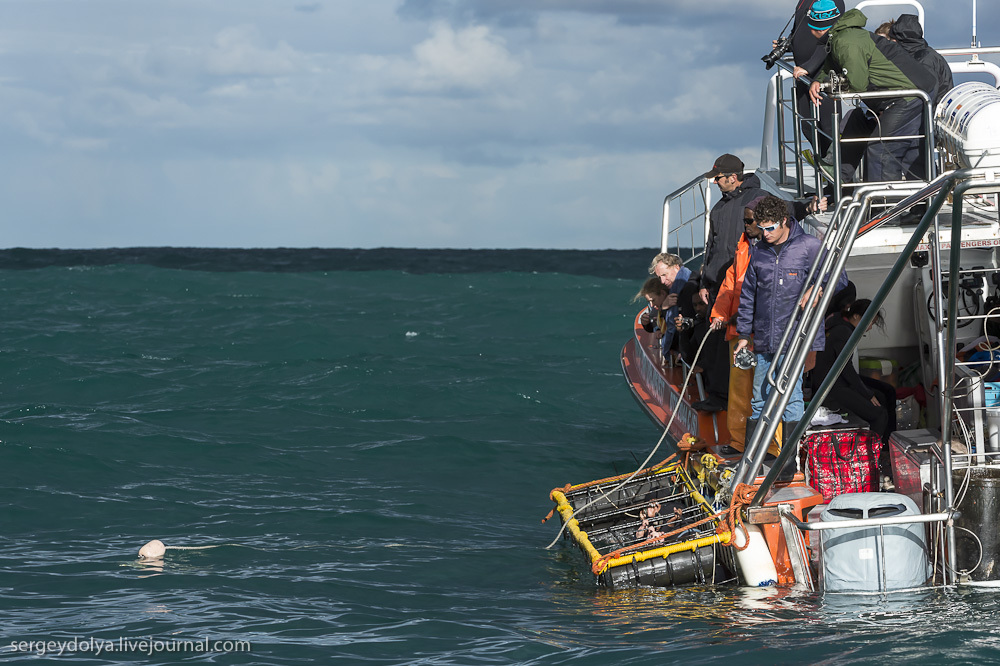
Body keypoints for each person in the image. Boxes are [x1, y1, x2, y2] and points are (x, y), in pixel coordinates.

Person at [734, 195, 848, 452]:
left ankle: (788, 462)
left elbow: (839, 278)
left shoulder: (809, 246)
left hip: (797, 335)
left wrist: (817, 290)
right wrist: (743, 334)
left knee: (792, 396)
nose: (765, 234)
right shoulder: (758, 251)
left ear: (784, 221)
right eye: (761, 229)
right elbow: (748, 295)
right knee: (759, 398)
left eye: (770, 228)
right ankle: (753, 457)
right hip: (764, 337)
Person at [808, 7, 937, 184]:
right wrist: (819, 81)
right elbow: (831, 66)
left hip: (908, 96)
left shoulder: (846, 42)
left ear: (818, 30)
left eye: (810, 29)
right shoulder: (843, 36)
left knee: (881, 150)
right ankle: (918, 207)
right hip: (905, 93)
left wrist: (834, 88)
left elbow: (858, 83)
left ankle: (884, 208)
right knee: (908, 151)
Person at [709, 196, 766, 451]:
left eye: (749, 221)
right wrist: (719, 315)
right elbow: (729, 285)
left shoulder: (774, 250)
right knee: (740, 391)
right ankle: (740, 441)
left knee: (764, 390)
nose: (745, 226)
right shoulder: (743, 247)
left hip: (762, 332)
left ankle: (771, 447)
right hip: (739, 331)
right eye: (744, 221)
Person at [811, 299, 897, 442]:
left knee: (886, 392)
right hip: (833, 387)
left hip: (836, 381)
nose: (869, 327)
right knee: (879, 413)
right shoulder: (843, 332)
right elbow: (845, 368)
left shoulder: (839, 325)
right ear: (856, 316)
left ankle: (888, 442)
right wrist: (867, 394)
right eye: (869, 322)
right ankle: (873, 451)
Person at [700, 154, 769, 307]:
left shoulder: (758, 197)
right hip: (717, 287)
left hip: (744, 284)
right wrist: (703, 283)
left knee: (741, 329)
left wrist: (808, 207)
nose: (715, 182)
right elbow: (710, 246)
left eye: (718, 178)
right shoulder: (718, 208)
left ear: (732, 177)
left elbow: (786, 210)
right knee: (717, 330)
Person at [789, 0, 846, 157]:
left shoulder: (832, 3)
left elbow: (830, 36)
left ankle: (837, 170)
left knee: (828, 129)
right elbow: (799, 29)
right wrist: (788, 44)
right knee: (807, 126)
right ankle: (823, 163)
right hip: (803, 77)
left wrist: (809, 66)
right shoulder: (803, 2)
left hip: (824, 74)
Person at [888, 15, 953, 105]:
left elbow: (927, 96)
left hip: (930, 114)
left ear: (898, 40)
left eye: (892, 40)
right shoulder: (923, 55)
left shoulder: (924, 60)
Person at [648, 253, 691, 360]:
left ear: (676, 267)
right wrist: (664, 307)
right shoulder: (672, 290)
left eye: (664, 275)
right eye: (659, 277)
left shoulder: (688, 287)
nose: (662, 281)